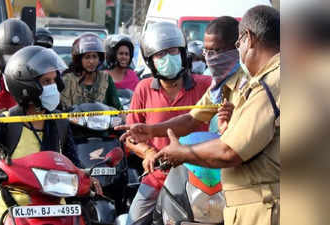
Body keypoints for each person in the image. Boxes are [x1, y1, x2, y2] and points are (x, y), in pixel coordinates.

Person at [119, 5, 280, 225]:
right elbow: (192, 119)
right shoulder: (218, 87)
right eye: (206, 52)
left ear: (247, 39)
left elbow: (230, 151)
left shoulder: (257, 85)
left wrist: (183, 153)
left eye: (216, 51)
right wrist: (150, 132)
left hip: (246, 196)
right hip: (177, 178)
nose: (209, 58)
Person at [0, 46, 103, 225]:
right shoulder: (8, 121)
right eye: (46, 82)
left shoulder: (60, 122)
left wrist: (86, 176)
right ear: (26, 87)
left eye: (54, 81)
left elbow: (73, 161)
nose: (53, 87)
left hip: (57, 206)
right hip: (14, 207)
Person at [124, 22, 212, 225]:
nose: (167, 58)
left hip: (201, 176)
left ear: (182, 53)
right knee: (134, 220)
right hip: (158, 174)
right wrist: (148, 153)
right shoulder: (143, 88)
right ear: (150, 61)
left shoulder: (205, 85)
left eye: (172, 51)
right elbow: (131, 136)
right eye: (160, 55)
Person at [0, 19, 33, 118]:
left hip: (28, 132)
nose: (14, 62)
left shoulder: (37, 77)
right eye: (9, 57)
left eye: (18, 56)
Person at [60, 32, 123, 110]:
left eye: (94, 57)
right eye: (87, 57)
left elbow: (118, 107)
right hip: (72, 122)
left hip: (104, 121)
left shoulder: (105, 78)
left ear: (99, 59)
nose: (91, 61)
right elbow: (62, 111)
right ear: (79, 60)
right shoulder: (68, 79)